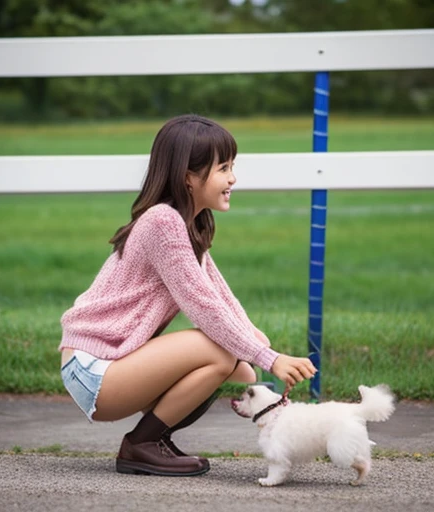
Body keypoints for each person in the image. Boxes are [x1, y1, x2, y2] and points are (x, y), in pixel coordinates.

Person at [59, 114, 317, 477]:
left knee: (239, 365)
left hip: (107, 365)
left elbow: (220, 296)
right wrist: (271, 358)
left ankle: (155, 440)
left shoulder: (186, 223)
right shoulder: (162, 223)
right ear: (188, 176)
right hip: (92, 370)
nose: (233, 178)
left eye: (232, 166)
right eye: (223, 168)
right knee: (221, 349)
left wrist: (259, 347)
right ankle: (141, 445)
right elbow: (204, 307)